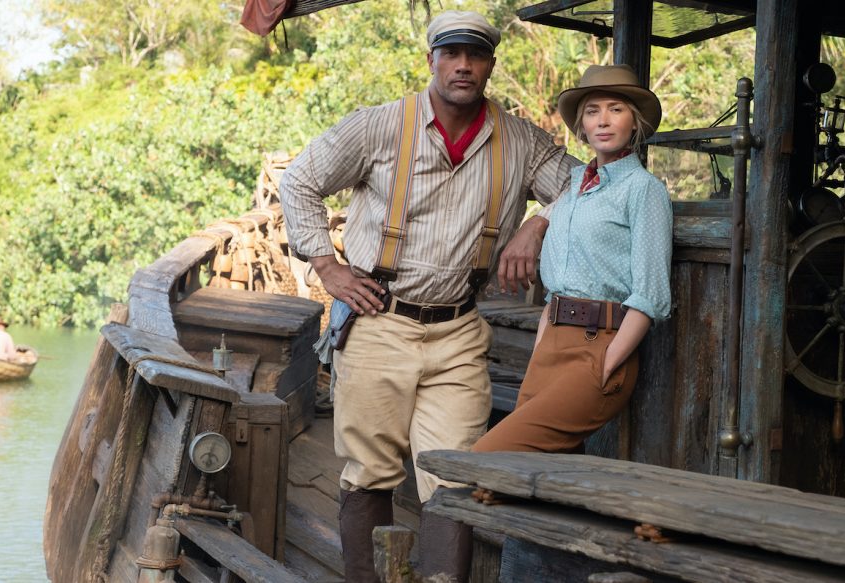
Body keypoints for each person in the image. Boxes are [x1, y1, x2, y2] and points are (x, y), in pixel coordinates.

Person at [279, 10, 579, 582]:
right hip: (378, 320)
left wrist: (536, 225)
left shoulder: (519, 139)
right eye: (452, 54)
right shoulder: (380, 125)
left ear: (490, 64)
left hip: (460, 330)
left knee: (457, 474)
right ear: (431, 61)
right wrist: (326, 265)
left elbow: (588, 185)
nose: (463, 66)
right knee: (369, 470)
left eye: (476, 55)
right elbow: (299, 180)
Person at [470, 63, 672, 458]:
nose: (603, 120)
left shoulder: (644, 190)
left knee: (489, 458)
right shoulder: (575, 186)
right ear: (581, 125)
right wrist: (544, 341)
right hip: (551, 344)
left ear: (635, 121)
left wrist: (608, 362)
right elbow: (557, 279)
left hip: (601, 347)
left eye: (616, 109)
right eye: (593, 111)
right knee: (548, 474)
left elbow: (651, 294)